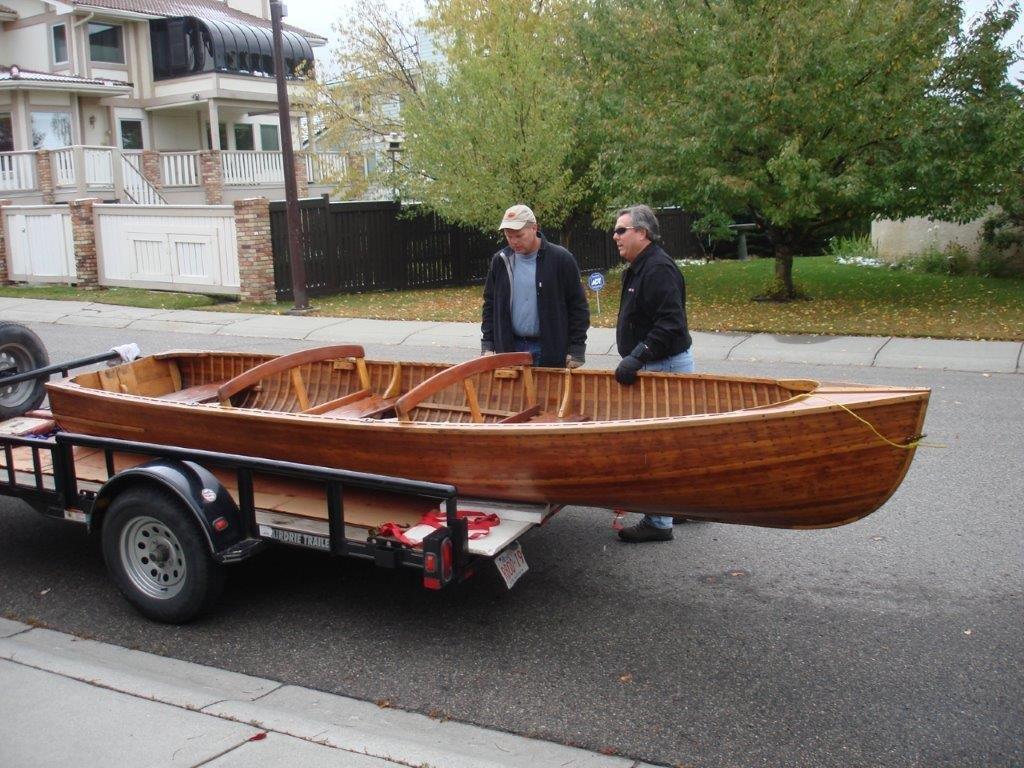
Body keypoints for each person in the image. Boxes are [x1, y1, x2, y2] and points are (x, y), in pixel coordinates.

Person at [612, 204, 694, 543]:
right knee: (669, 445)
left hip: (664, 365)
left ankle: (660, 523)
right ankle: (680, 507)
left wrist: (637, 357)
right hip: (656, 363)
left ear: (642, 233)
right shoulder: (640, 266)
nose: (614, 236)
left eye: (621, 230)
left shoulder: (657, 268)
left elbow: (671, 324)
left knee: (654, 446)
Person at [481, 204, 590, 368]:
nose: (514, 241)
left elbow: (578, 307)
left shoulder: (561, 259)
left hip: (550, 349)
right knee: (514, 395)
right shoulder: (501, 261)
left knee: (549, 395)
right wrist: (488, 344)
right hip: (510, 348)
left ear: (534, 228)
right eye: (508, 236)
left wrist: (576, 349)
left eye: (519, 235)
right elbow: (490, 305)